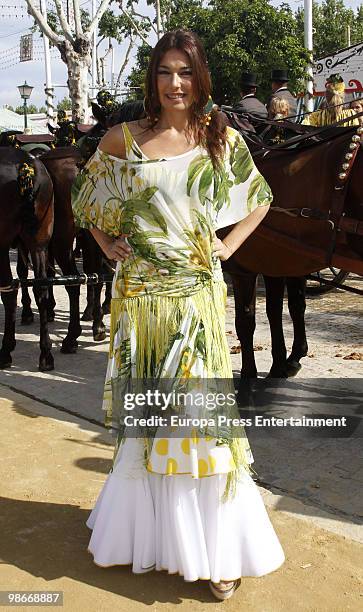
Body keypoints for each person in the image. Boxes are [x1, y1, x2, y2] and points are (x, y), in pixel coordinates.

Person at [72, 29, 284, 601]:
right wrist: (104, 240)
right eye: (165, 72)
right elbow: (85, 194)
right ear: (153, 79)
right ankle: (150, 538)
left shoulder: (218, 139)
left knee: (202, 421)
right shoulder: (126, 138)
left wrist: (231, 245)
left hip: (195, 299)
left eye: (184, 72)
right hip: (140, 301)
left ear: (200, 77)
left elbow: (259, 196)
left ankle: (218, 548)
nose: (174, 84)